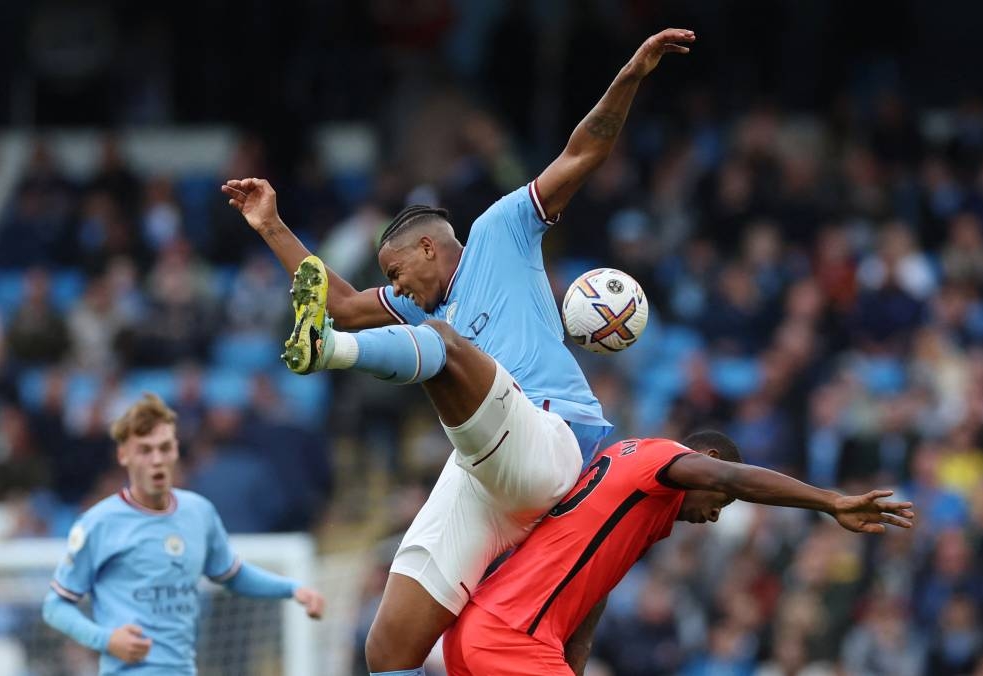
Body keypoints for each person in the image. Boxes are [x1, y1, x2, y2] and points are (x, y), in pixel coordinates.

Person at [222, 26, 697, 675]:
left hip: (553, 441)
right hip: (487, 469)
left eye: (395, 273)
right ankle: (327, 350)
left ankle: (327, 355)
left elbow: (583, 152)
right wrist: (272, 224)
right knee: (387, 651)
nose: (394, 289)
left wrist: (632, 73)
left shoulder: (500, 231)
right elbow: (339, 301)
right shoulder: (422, 308)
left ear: (426, 249)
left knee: (441, 347)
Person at [443, 431, 916, 674]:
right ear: (707, 464)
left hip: (479, 631)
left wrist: (575, 660)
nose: (715, 515)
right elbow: (734, 478)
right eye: (720, 504)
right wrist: (831, 501)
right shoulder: (658, 458)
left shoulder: (629, 476)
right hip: (511, 635)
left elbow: (597, 582)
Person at [41, 393, 325, 675]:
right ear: (123, 455)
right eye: (145, 450)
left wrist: (292, 589)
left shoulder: (198, 512)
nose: (157, 459)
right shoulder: (98, 523)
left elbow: (233, 574)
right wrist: (106, 639)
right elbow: (55, 606)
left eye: (164, 448)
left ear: (176, 450)